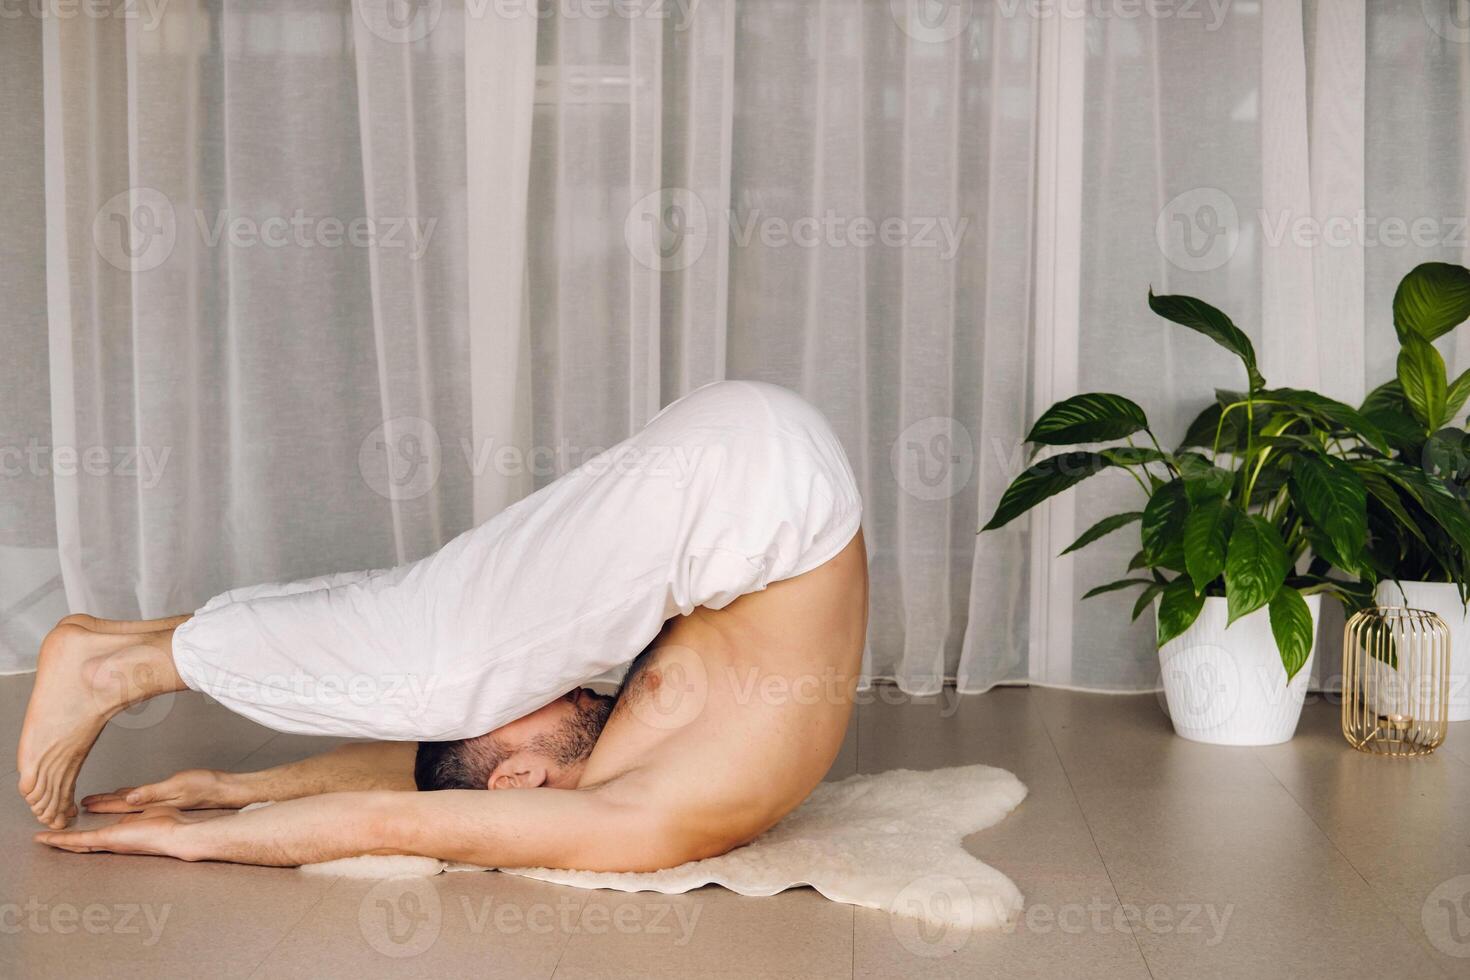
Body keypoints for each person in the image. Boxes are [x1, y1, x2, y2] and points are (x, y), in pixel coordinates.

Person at [20, 381, 869, 872]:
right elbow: (405, 811)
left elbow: (411, 789)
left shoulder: (615, 779)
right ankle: (118, 668)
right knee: (434, 664)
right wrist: (199, 839)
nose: (542, 690)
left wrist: (230, 797)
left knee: (420, 627)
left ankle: (126, 653)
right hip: (761, 494)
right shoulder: (645, 813)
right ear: (526, 782)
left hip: (757, 475)